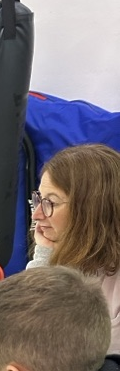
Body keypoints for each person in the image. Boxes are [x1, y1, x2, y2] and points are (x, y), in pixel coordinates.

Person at [27, 142, 120, 354]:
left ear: (91, 210)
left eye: (51, 202)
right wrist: (44, 256)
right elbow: (21, 326)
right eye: (39, 200)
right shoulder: (66, 253)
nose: (37, 214)